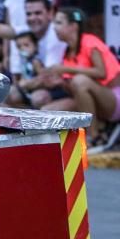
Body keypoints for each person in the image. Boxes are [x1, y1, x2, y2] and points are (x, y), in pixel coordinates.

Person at [42, 8, 120, 143]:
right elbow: (74, 89)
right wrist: (60, 83)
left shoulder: (90, 41)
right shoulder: (66, 52)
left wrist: (66, 69)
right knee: (47, 110)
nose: (54, 28)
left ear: (73, 26)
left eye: (59, 23)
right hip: (94, 101)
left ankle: (94, 137)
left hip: (114, 98)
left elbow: (101, 72)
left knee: (80, 81)